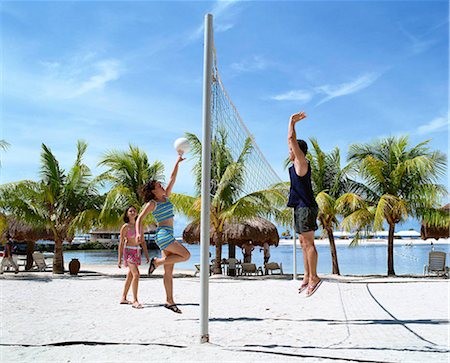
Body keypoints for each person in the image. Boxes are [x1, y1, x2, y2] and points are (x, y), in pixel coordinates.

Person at [136, 152, 191, 314]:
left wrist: (177, 162)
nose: (162, 186)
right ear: (153, 192)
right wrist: (139, 234)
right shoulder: (152, 203)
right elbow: (140, 218)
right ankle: (157, 262)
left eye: (161, 185)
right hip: (163, 234)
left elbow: (173, 177)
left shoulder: (166, 197)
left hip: (169, 234)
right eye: (158, 186)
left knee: (169, 271)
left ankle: (169, 301)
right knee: (186, 255)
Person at [287, 111, 322, 297]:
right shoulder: (293, 165)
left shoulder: (302, 163)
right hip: (299, 207)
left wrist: (292, 122)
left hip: (306, 207)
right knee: (302, 243)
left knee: (309, 243)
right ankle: (307, 276)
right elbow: (290, 141)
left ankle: (315, 277)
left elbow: (291, 139)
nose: (289, 150)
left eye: (291, 149)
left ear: (298, 151)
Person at [118, 206, 149, 309]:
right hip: (129, 252)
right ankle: (135, 300)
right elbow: (121, 243)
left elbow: (143, 241)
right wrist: (119, 259)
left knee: (130, 275)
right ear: (127, 213)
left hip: (137, 252)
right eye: (130, 211)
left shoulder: (139, 226)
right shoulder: (125, 227)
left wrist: (147, 255)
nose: (132, 212)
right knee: (136, 274)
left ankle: (123, 298)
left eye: (134, 211)